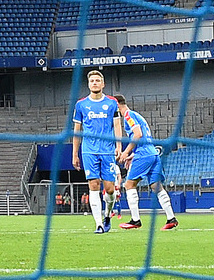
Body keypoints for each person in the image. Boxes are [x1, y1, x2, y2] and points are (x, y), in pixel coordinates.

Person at [113, 95, 177, 231]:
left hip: (144, 154)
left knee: (129, 184)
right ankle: (171, 218)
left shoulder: (128, 116)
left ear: (117, 105)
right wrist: (132, 155)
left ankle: (135, 220)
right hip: (152, 153)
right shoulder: (138, 115)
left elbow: (138, 134)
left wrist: (125, 152)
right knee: (156, 187)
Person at [71, 70, 122, 233]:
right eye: (92, 80)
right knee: (93, 185)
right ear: (88, 84)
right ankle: (98, 224)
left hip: (107, 150)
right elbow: (77, 131)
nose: (94, 83)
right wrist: (75, 154)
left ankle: (107, 215)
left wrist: (119, 146)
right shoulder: (81, 105)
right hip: (89, 150)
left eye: (97, 80)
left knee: (110, 190)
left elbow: (117, 125)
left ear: (103, 84)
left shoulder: (112, 103)